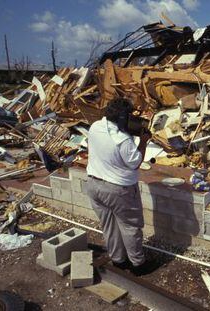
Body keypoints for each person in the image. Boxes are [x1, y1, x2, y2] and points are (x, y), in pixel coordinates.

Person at [86, 97, 151, 275]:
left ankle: (118, 261)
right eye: (129, 116)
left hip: (94, 185)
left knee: (109, 225)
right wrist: (143, 141)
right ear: (122, 118)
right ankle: (138, 265)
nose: (132, 118)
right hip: (118, 190)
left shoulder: (95, 127)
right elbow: (135, 163)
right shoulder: (122, 140)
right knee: (130, 227)